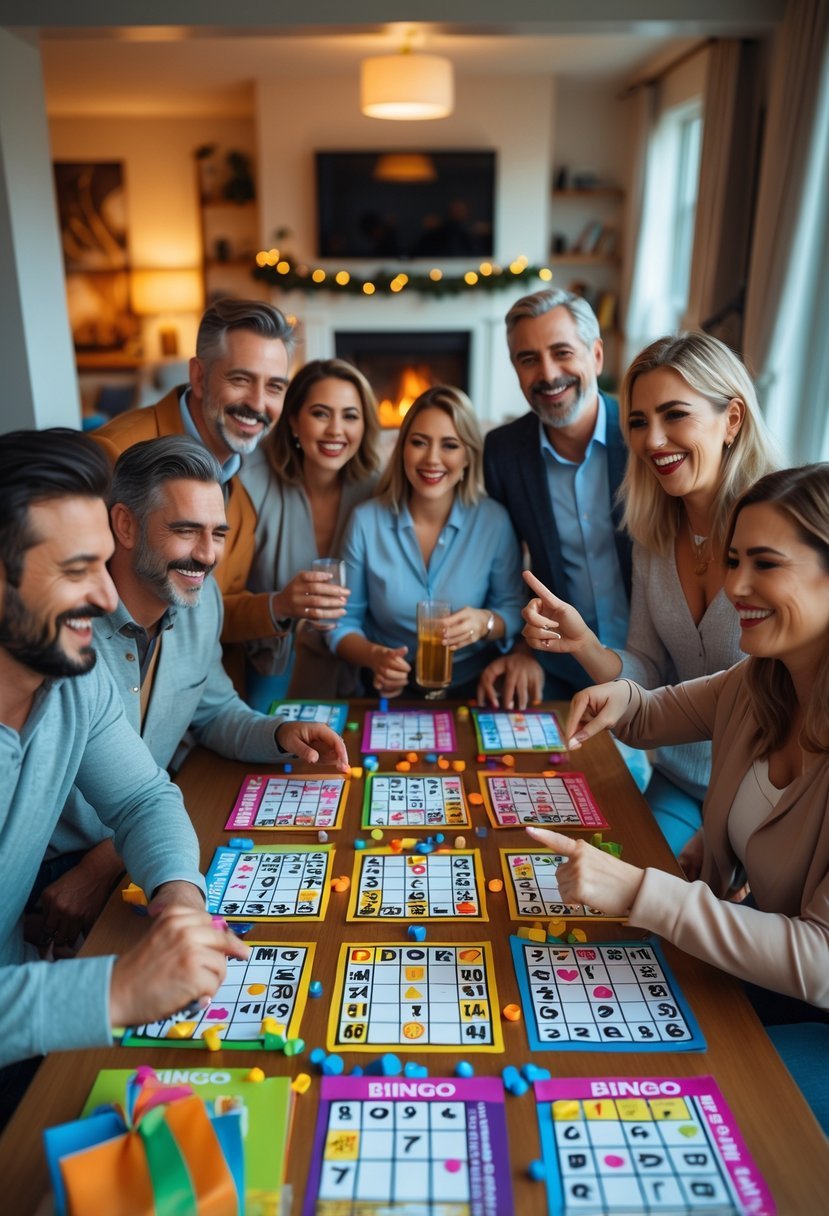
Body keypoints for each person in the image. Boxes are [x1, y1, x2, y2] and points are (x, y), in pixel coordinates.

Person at [527, 463, 829, 1131]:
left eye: (764, 564)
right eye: (731, 560)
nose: (735, 587)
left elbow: (820, 960)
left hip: (818, 1017)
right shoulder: (761, 679)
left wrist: (640, 892)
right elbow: (648, 712)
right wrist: (616, 692)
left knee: (651, 1091)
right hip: (769, 981)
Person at [30, 436, 350, 950]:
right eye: (185, 531)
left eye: (217, 533)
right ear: (125, 526)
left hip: (140, 847)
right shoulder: (64, 634)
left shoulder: (203, 603)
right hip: (49, 871)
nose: (207, 554)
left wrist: (279, 733)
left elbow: (210, 715)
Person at [0, 428, 248, 1086]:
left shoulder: (72, 678)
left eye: (102, 565)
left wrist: (179, 899)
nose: (109, 598)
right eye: (77, 571)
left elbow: (145, 799)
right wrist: (114, 989)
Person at [522, 332, 776, 853]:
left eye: (674, 415)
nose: (653, 440)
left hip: (769, 798)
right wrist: (583, 642)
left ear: (732, 419)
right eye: (638, 422)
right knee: (613, 899)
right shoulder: (654, 535)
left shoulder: (786, 529)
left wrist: (730, 844)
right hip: (679, 781)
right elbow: (649, 671)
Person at [92, 298, 294, 653]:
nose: (259, 403)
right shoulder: (113, 454)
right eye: (241, 379)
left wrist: (280, 606)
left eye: (275, 387)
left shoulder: (241, 496)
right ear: (199, 377)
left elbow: (208, 608)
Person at [479, 287, 632, 710]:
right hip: (561, 664)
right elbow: (508, 562)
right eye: (528, 359)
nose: (547, 373)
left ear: (596, 356)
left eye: (562, 352)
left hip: (651, 659)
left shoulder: (642, 433)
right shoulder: (503, 451)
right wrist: (525, 648)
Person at [328, 385, 524, 698]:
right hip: (387, 689)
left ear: (468, 457)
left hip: (475, 688)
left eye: (449, 445)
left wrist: (484, 622)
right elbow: (342, 623)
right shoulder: (365, 521)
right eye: (419, 442)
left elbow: (513, 610)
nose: (432, 459)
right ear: (402, 448)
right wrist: (375, 658)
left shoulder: (494, 521)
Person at [240, 358, 381, 697]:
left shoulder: (377, 491)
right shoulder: (250, 482)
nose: (336, 430)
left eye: (350, 415)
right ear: (292, 422)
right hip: (268, 664)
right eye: (320, 413)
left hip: (355, 665)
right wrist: (281, 603)